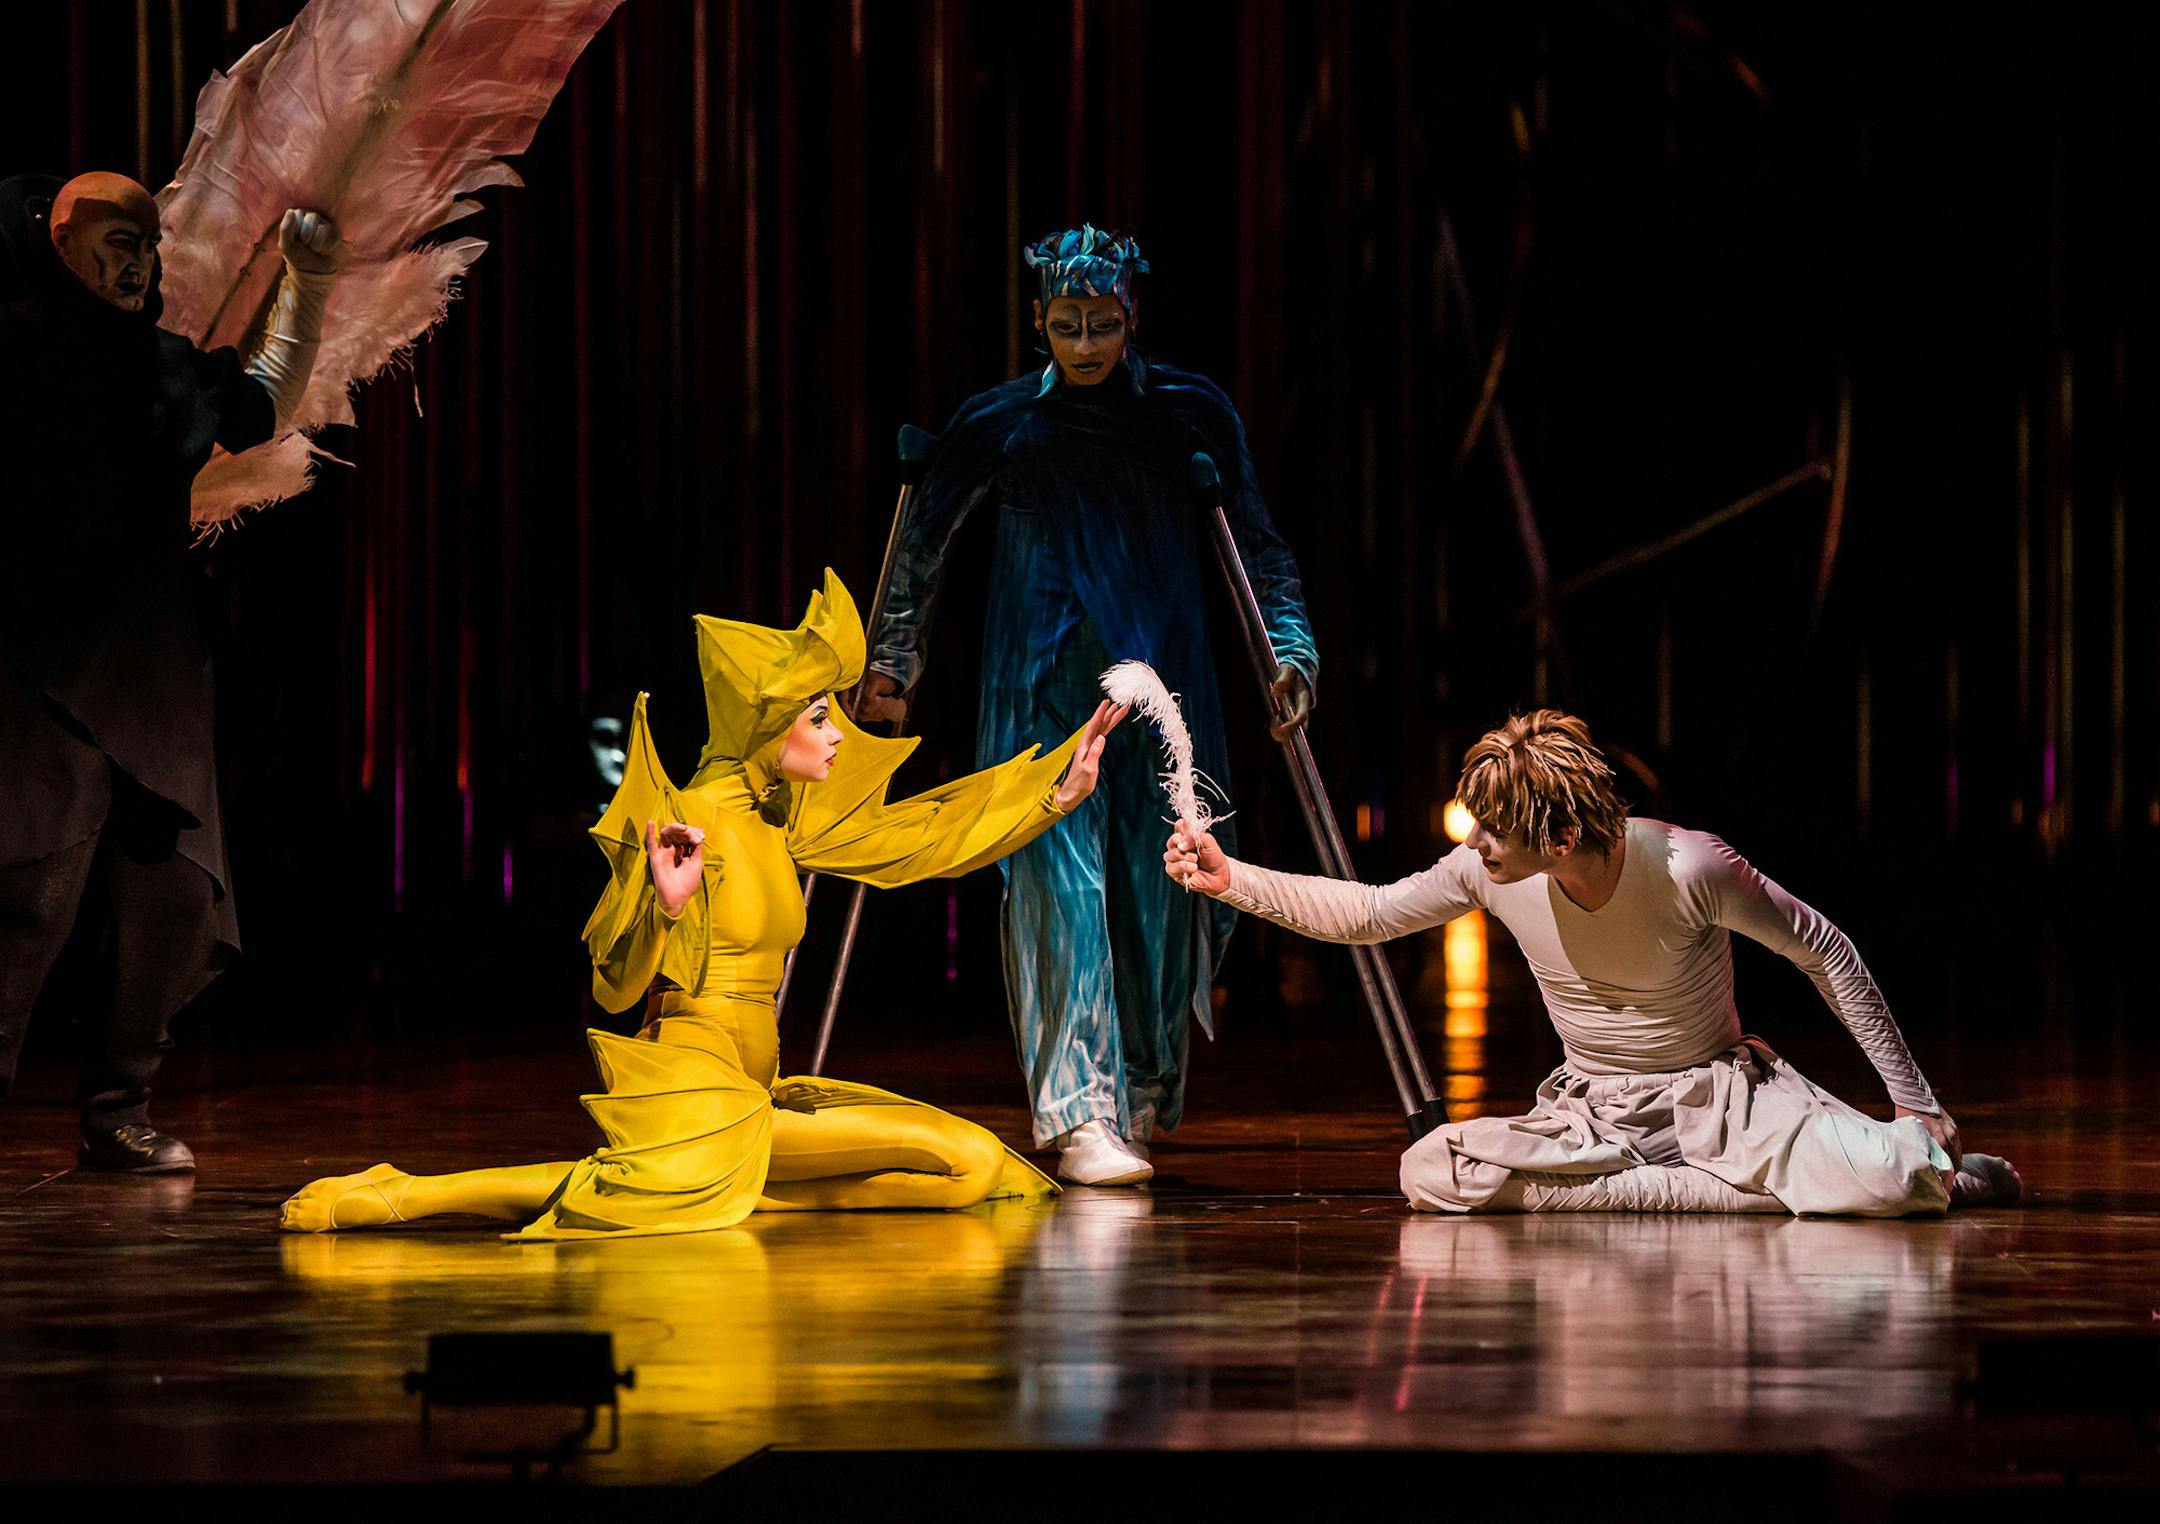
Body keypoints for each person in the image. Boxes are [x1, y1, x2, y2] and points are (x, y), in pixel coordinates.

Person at [281, 571, 1128, 1237]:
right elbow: (615, 988)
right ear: (767, 726)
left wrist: (1056, 793)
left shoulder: (784, 816)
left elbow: (923, 840)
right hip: (699, 1078)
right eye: (818, 716)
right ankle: (405, 1196)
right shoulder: (688, 824)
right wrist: (668, 907)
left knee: (965, 1176)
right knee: (966, 1161)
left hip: (757, 1091)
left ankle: (709, 1193)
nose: (837, 734)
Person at [859, 226, 1319, 1186]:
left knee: (1164, 887)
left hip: (1162, 681)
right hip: (1038, 689)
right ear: (1037, 323)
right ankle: (1077, 1111)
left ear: (1131, 316)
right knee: (1059, 894)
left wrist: (1290, 653)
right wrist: (891, 666)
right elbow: (921, 549)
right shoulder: (1003, 421)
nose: (1084, 344)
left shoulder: (1188, 412)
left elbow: (1261, 546)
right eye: (1064, 326)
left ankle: (1140, 1096)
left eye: (1101, 324)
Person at [1164, 709, 2022, 1215]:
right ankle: (1738, 1195)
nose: (1478, 845)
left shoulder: (1690, 867)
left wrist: (1919, 1105)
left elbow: (1828, 952)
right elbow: (1372, 913)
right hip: (1595, 1117)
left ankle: (1908, 1168)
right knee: (1429, 1169)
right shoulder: (1487, 871)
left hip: (1717, 1100)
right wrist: (1231, 878)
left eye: (1496, 830)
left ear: (1563, 836)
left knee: (1896, 1179)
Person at [0, 171, 343, 1172]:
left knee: (171, 893)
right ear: (55, 242)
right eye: (113, 237)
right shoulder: (12, 347)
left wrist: (307, 282)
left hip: (150, 661)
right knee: (26, 892)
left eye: (148, 242)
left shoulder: (162, 365)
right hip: (37, 660)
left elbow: (261, 406)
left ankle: (119, 1110)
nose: (136, 259)